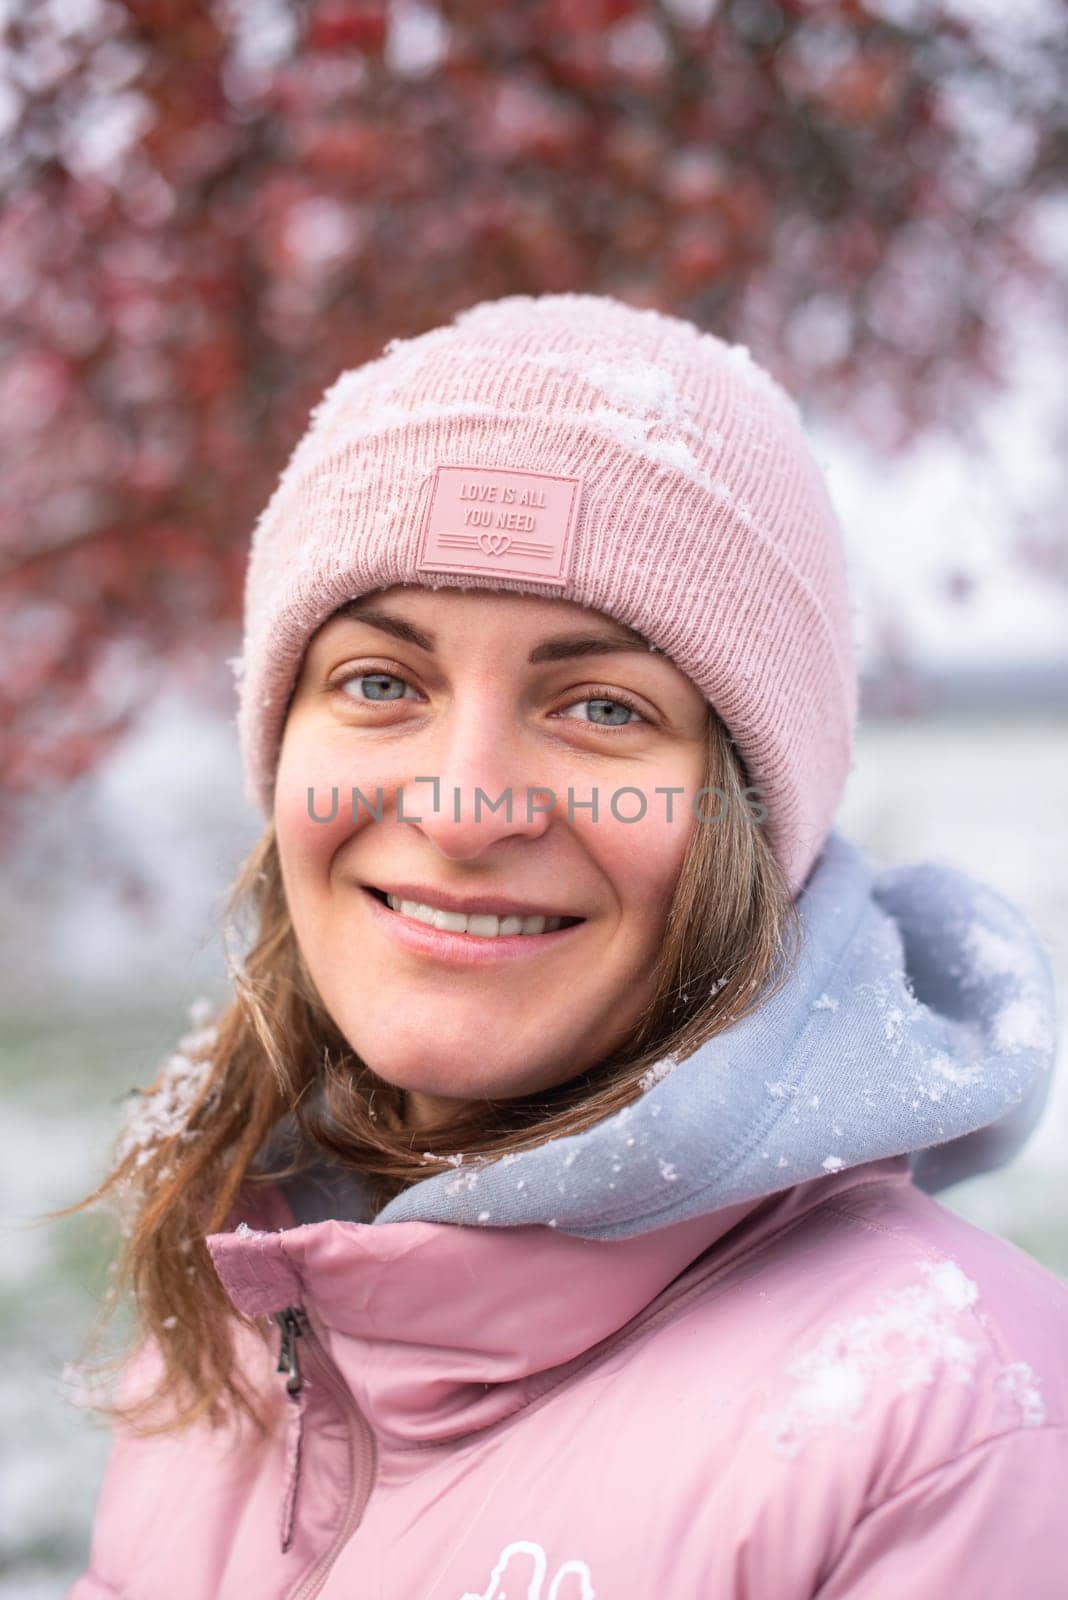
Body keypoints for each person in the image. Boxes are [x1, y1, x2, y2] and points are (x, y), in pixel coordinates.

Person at [64, 294, 1066, 1599]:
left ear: (753, 820)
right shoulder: (242, 1321)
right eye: (381, 684)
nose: (465, 807)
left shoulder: (950, 1429)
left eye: (599, 707)